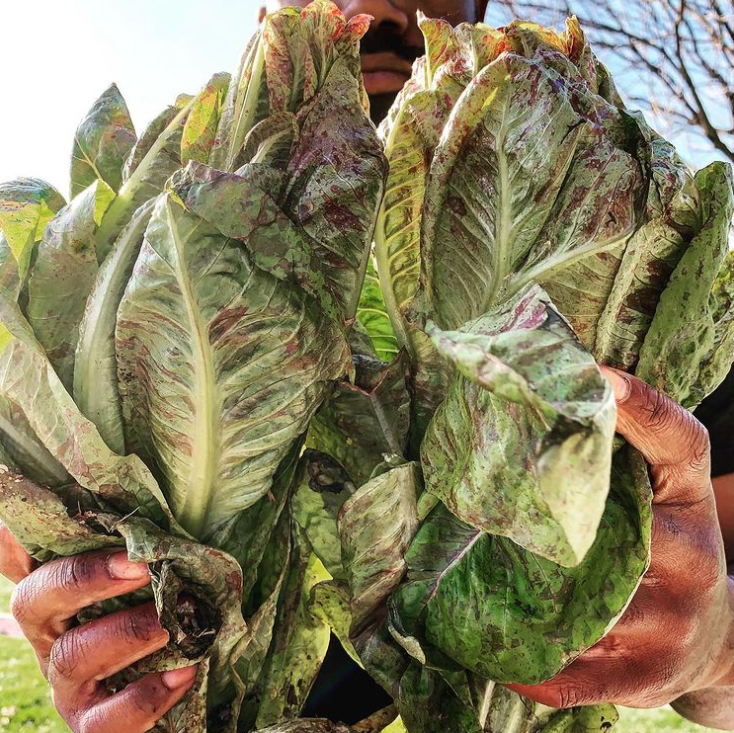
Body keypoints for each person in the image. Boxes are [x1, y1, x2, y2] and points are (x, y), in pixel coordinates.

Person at [1, 1, 733, 731]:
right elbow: (52, 597)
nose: (385, 7)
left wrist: (714, 649)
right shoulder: (163, 233)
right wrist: (103, 659)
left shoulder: (626, 241)